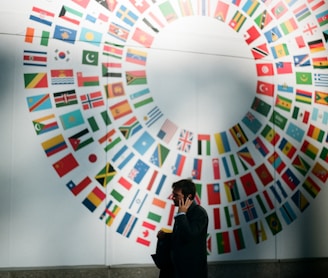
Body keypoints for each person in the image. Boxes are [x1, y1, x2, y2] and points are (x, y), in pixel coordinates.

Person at [155, 179, 209, 278]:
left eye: (176, 195)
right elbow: (181, 237)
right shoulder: (183, 213)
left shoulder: (199, 213)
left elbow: (190, 236)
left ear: (189, 197)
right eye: (173, 194)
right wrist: (164, 236)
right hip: (175, 269)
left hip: (189, 272)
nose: (172, 197)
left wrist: (181, 215)